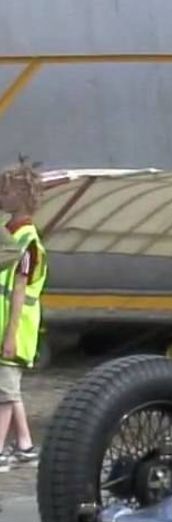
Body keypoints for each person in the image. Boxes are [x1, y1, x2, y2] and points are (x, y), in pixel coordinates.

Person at [0, 161, 46, 472]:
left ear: (21, 196)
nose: (1, 194)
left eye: (6, 189)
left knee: (3, 392)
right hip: (4, 326)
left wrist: (11, 336)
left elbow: (19, 290)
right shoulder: (8, 234)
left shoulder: (28, 242)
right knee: (8, 389)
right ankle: (26, 445)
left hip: (14, 330)